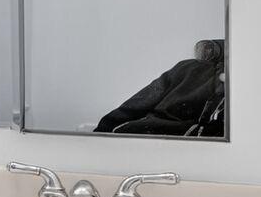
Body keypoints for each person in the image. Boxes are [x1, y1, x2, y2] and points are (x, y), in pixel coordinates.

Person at [95, 39, 226, 137]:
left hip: (195, 155)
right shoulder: (189, 69)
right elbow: (135, 105)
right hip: (139, 138)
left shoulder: (243, 87)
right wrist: (101, 136)